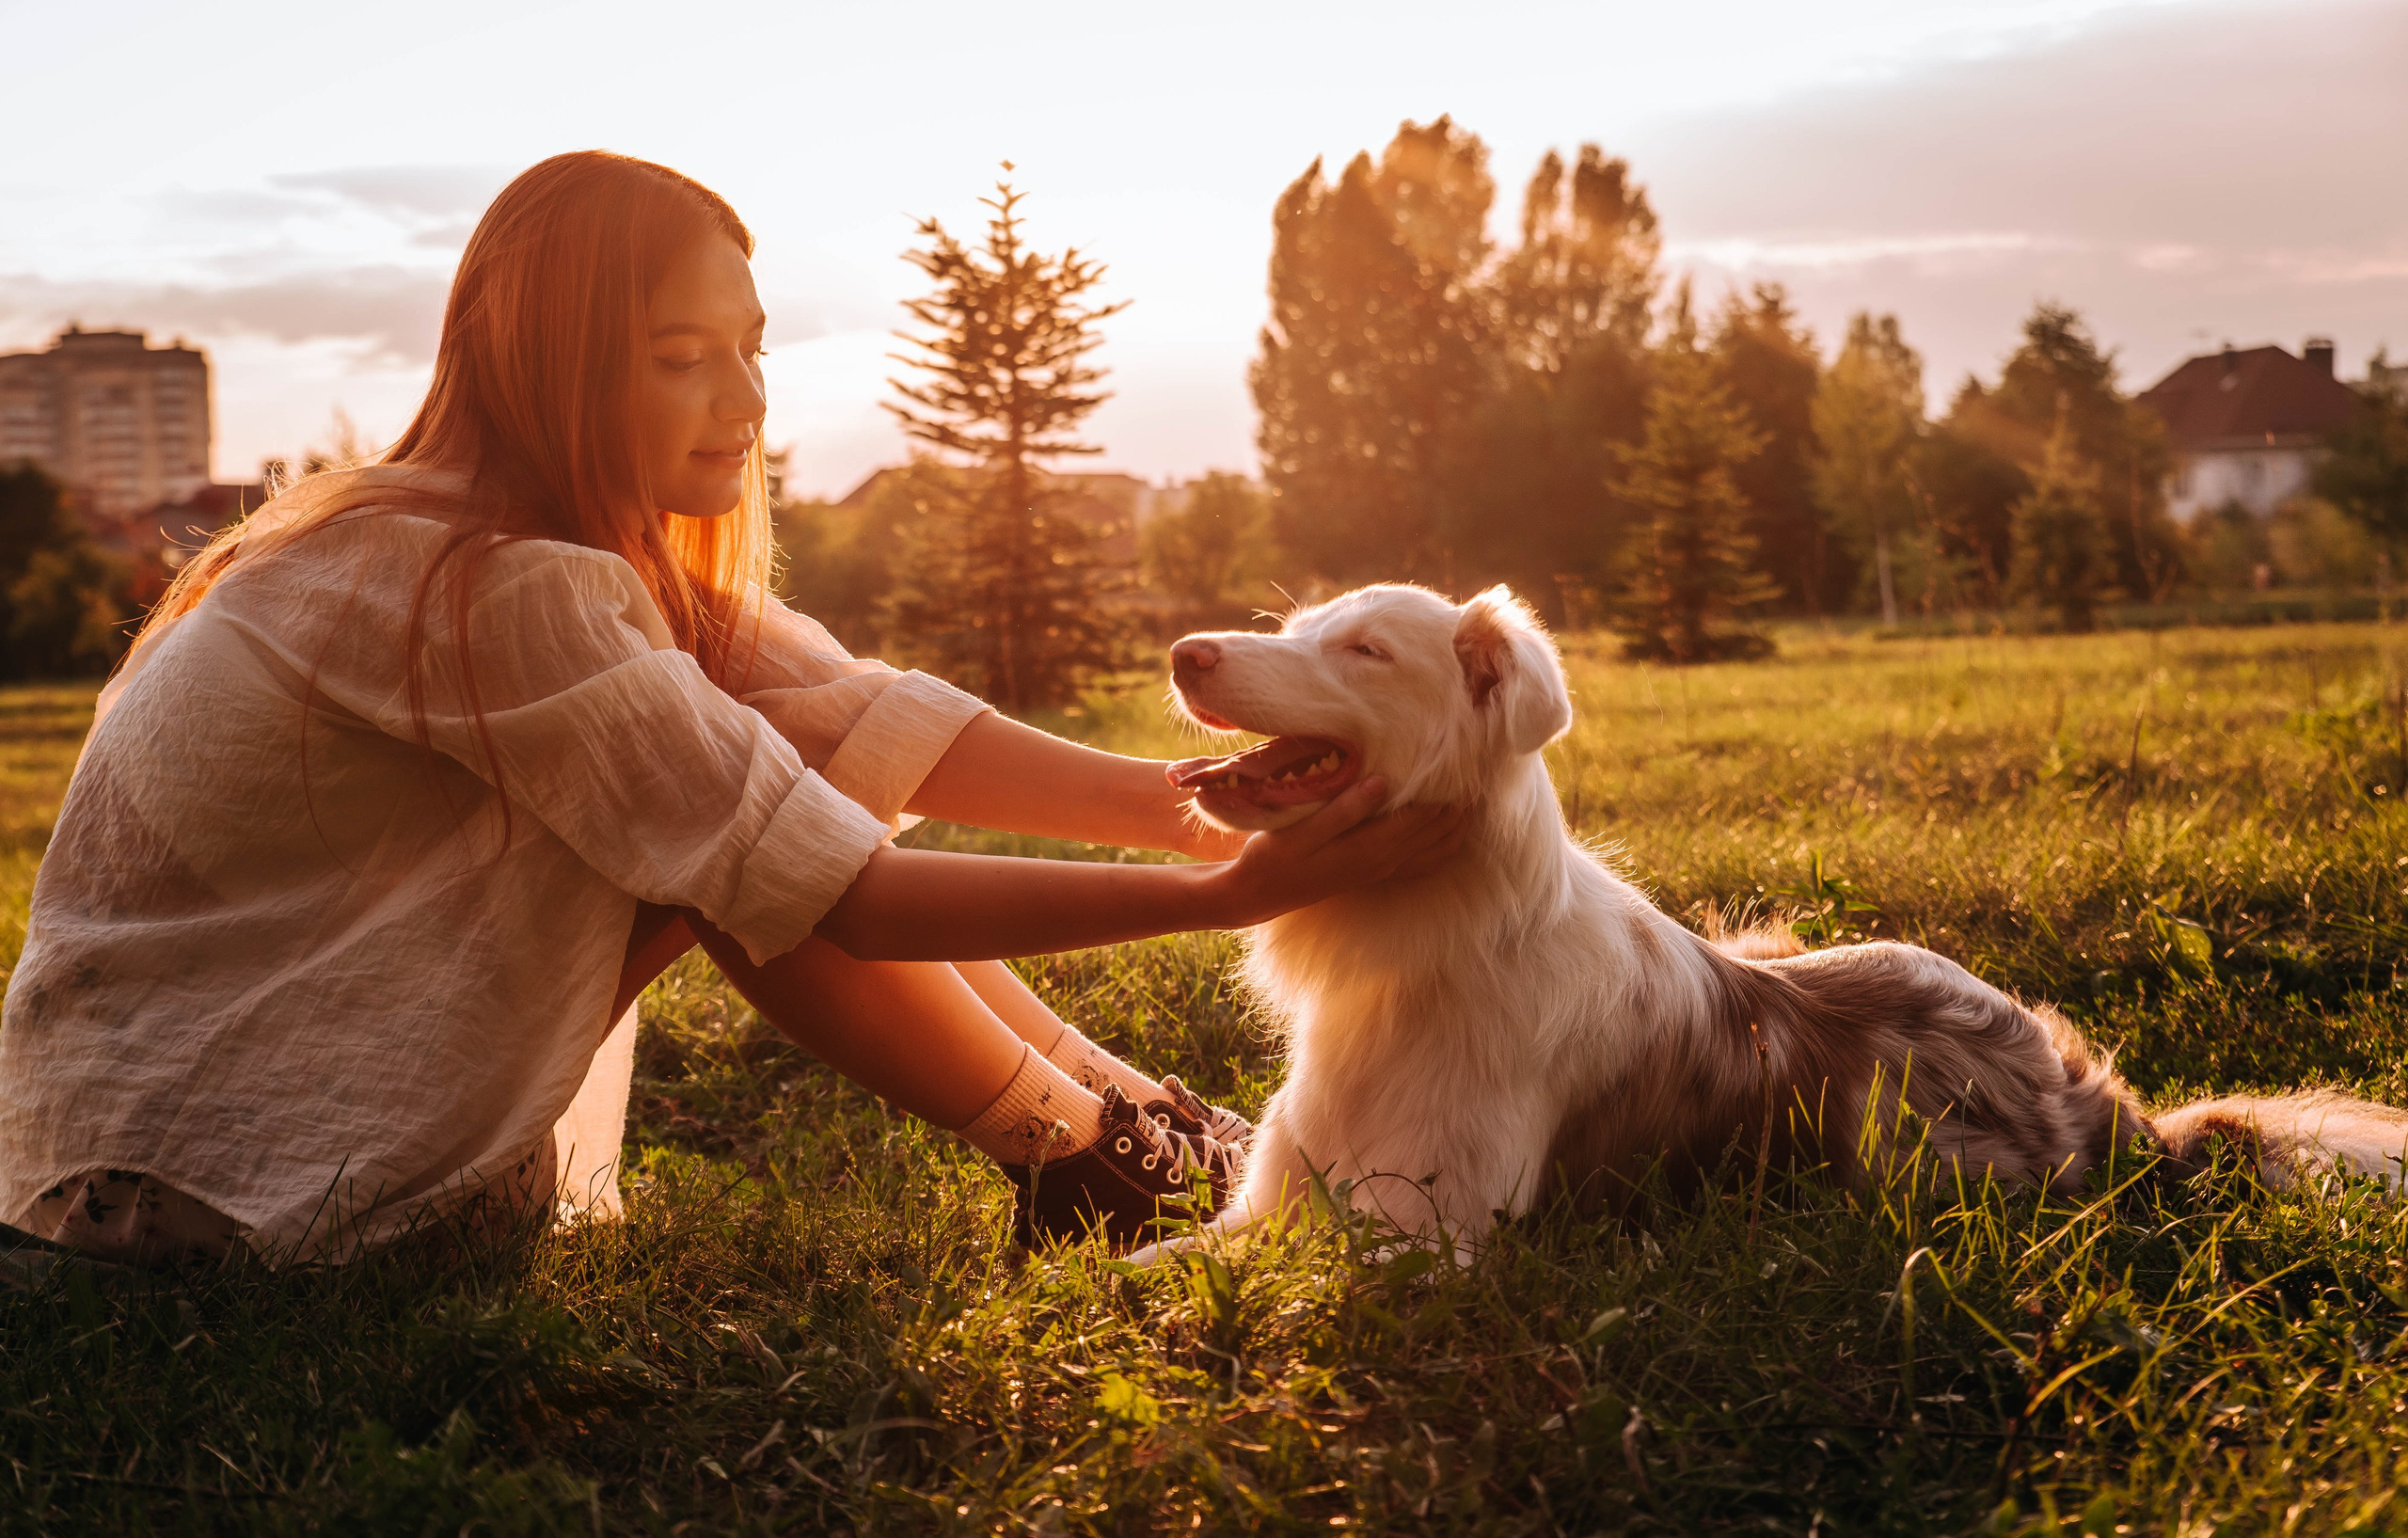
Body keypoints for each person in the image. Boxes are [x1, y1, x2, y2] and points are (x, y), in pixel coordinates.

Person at [0, 152, 1460, 1267]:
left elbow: (859, 711)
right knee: (747, 847)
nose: (741, 400)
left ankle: (1137, 1128)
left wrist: (1206, 804)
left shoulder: (496, 545)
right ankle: (1100, 1158)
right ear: (543, 364)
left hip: (136, 1153)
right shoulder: (478, 580)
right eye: (679, 357)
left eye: (751, 349)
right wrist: (1227, 892)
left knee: (762, 779)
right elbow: (842, 888)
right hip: (216, 1185)